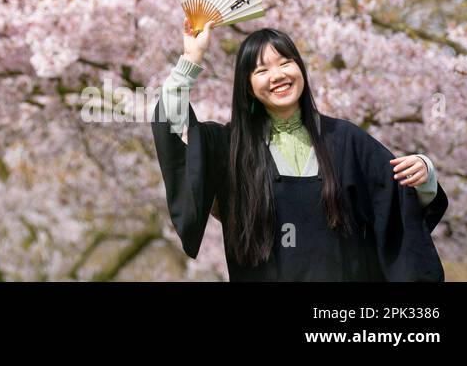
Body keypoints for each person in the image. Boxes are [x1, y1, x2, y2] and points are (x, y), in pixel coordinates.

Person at [151, 21, 449, 280]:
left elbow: (397, 203)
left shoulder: (344, 139)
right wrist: (191, 58)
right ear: (247, 86)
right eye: (261, 70)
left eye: (285, 62)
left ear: (300, 69)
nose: (277, 75)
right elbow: (174, 125)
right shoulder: (232, 147)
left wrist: (424, 173)